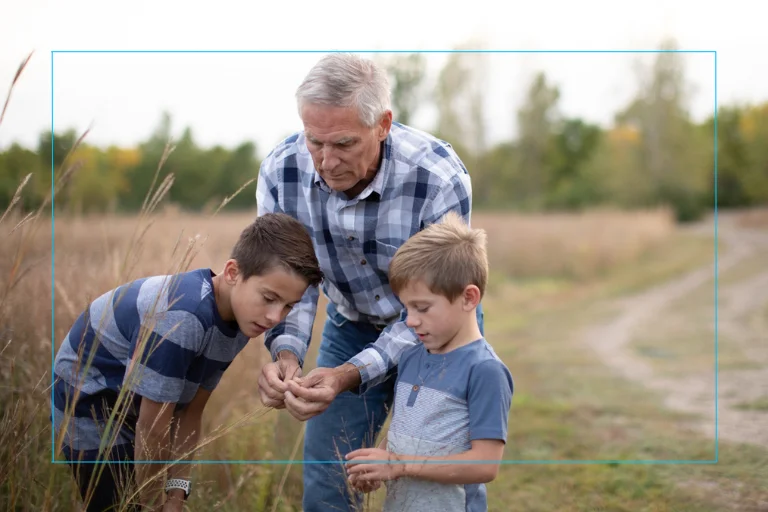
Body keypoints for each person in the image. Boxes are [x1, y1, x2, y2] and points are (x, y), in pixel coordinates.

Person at [255, 52, 484, 511]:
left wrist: (348, 375)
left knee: (440, 482)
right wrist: (286, 354)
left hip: (441, 330)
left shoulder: (437, 177)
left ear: (382, 124)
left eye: (343, 143)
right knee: (328, 478)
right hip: (351, 321)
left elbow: (434, 302)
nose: (325, 160)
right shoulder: (281, 172)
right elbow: (289, 282)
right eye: (314, 141)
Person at [52, 213, 322, 512]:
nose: (275, 318)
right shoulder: (184, 316)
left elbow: (190, 411)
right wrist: (156, 503)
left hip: (138, 406)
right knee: (121, 503)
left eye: (288, 307)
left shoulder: (242, 317)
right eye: (269, 297)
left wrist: (176, 493)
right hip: (90, 403)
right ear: (232, 272)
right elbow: (152, 428)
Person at [344, 211, 514, 511]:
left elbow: (486, 464)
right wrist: (378, 464)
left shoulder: (485, 371)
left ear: (469, 298)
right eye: (406, 309)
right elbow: (402, 430)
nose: (410, 321)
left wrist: (399, 465)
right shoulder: (410, 357)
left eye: (422, 308)